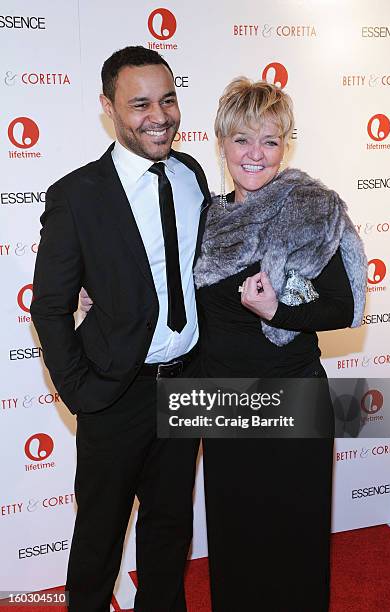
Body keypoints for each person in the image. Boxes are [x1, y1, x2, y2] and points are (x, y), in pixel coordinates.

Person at [30, 46, 211, 612]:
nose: (159, 115)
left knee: (168, 527)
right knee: (99, 538)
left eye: (168, 99)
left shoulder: (192, 174)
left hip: (184, 384)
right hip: (115, 391)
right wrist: (79, 388)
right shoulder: (77, 195)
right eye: (139, 104)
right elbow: (50, 306)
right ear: (109, 108)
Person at [193, 78, 367, 611]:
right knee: (235, 532)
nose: (255, 154)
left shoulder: (309, 210)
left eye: (269, 141)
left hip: (293, 396)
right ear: (221, 143)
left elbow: (343, 306)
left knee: (295, 536)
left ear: (284, 145)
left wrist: (278, 311)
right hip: (223, 401)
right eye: (242, 139)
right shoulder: (204, 218)